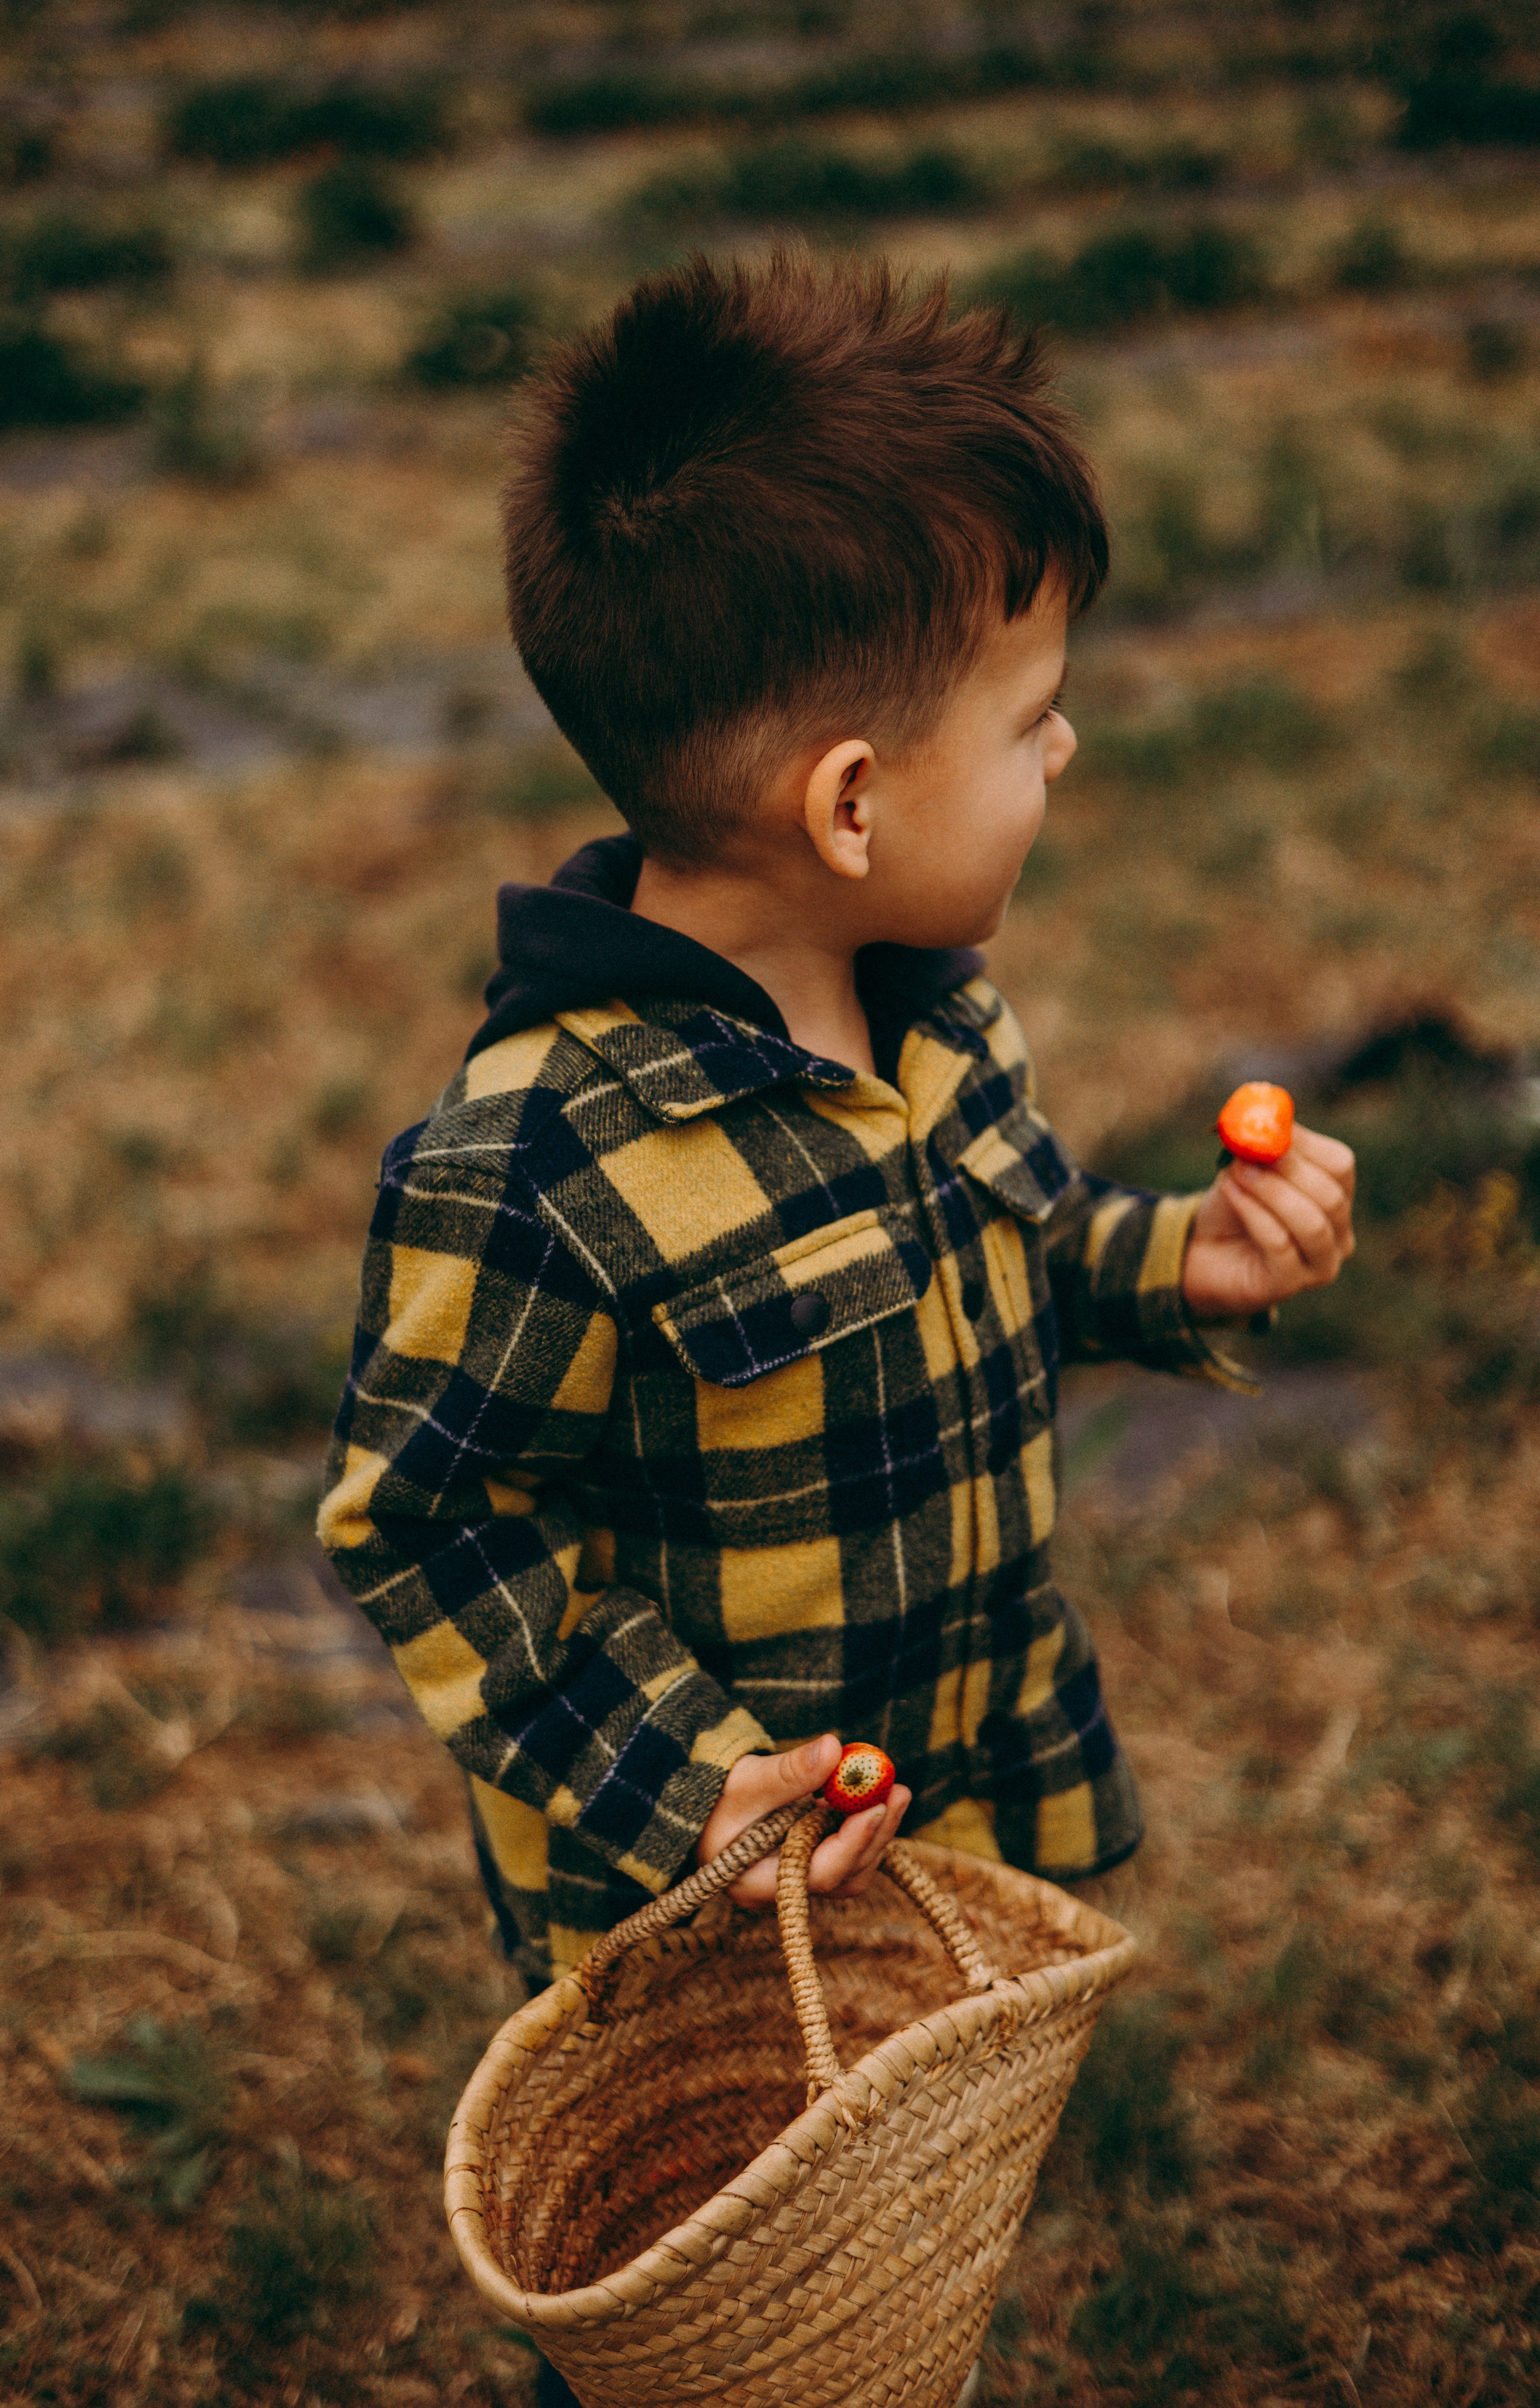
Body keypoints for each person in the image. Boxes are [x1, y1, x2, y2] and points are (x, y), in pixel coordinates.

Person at [318, 250, 1355, 2407]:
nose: (1066, 740)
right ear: (856, 804)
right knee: (728, 2299)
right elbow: (432, 1525)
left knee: (888, 2265)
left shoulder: (928, 1016)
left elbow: (1021, 1252)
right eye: (1031, 709)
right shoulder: (530, 1162)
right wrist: (702, 1788)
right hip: (715, 1903)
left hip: (954, 1792)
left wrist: (1186, 1265)